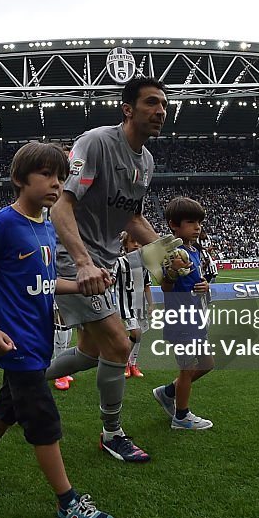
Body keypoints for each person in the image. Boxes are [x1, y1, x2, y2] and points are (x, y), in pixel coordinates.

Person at [0, 142, 116, 518]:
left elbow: (43, 280)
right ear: (19, 179)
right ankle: (68, 502)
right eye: (46, 175)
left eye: (62, 177)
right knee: (44, 422)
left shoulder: (44, 226)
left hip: (38, 343)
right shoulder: (3, 224)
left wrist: (79, 287)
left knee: (8, 408)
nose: (57, 184)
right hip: (17, 344)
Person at [46, 75, 179, 464]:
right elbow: (60, 205)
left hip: (102, 263)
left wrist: (164, 254)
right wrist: (83, 262)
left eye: (164, 105)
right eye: (152, 103)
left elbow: (132, 217)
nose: (160, 111)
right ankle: (112, 433)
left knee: (90, 354)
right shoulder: (97, 143)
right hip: (73, 259)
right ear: (128, 109)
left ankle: (24, 383)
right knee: (121, 345)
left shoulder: (147, 161)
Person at [152, 197, 214, 430]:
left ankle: (168, 392)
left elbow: (196, 281)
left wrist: (205, 285)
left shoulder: (193, 250)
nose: (197, 227)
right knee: (187, 367)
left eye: (199, 222)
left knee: (207, 364)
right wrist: (172, 272)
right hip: (180, 317)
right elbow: (166, 288)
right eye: (191, 222)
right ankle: (181, 416)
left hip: (196, 315)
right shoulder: (170, 252)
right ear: (173, 225)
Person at [112, 231, 151, 379]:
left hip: (140, 306)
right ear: (125, 245)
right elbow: (111, 281)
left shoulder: (143, 263)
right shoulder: (119, 262)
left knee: (139, 336)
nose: (136, 244)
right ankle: (123, 362)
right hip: (125, 306)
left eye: (138, 242)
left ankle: (132, 364)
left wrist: (151, 305)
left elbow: (147, 285)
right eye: (132, 241)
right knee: (136, 333)